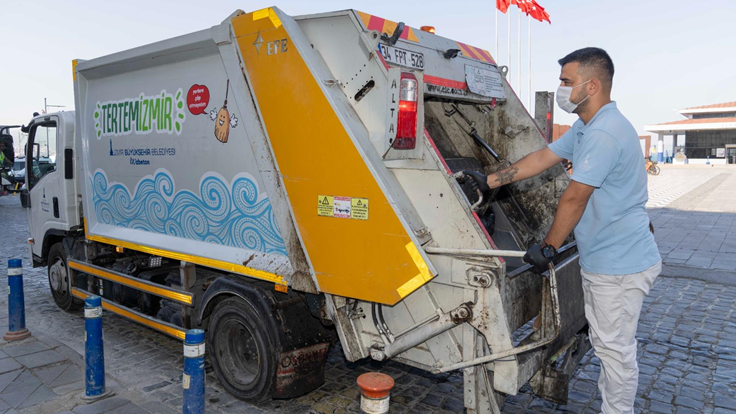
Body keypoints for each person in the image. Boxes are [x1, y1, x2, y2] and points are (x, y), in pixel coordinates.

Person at [464, 47, 660, 414]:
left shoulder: (604, 134)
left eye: (566, 82)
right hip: (614, 255)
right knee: (610, 345)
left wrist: (549, 248)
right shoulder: (589, 127)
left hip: (618, 265)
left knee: (615, 351)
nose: (561, 88)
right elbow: (541, 159)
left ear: (592, 85)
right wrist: (486, 182)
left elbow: (574, 198)